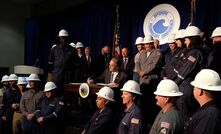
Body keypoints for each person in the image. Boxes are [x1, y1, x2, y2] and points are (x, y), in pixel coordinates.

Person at [173, 26, 203, 123]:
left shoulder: (195, 53)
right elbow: (177, 65)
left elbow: (185, 70)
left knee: (185, 114)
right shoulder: (187, 52)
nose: (184, 42)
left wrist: (174, 83)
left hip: (186, 87)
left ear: (192, 39)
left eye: (186, 39)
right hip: (181, 85)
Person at [184, 69, 221, 134]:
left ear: (200, 91)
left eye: (194, 87)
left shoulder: (209, 116)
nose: (193, 89)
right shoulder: (209, 111)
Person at [137, 35, 162, 126]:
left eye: (148, 44)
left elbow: (154, 65)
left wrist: (145, 72)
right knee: (142, 102)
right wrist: (139, 71)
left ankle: (151, 122)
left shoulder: (157, 53)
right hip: (142, 81)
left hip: (152, 81)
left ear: (152, 44)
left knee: (151, 103)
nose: (146, 46)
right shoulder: (142, 53)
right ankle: (143, 120)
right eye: (145, 44)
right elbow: (138, 63)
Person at [48, 29, 78, 95]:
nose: (63, 40)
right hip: (57, 76)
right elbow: (50, 63)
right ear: (59, 38)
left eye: (65, 38)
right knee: (57, 93)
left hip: (68, 77)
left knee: (68, 94)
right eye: (62, 38)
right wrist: (55, 73)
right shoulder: (54, 49)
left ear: (67, 38)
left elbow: (76, 64)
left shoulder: (73, 50)